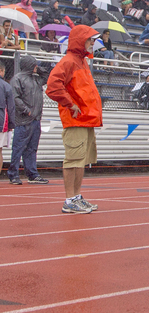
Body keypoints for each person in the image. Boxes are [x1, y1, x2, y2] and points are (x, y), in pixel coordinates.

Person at [46, 25, 102, 214]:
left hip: (85, 119)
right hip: (76, 119)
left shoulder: (81, 61)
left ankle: (76, 197)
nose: (93, 43)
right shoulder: (69, 61)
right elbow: (53, 86)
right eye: (90, 39)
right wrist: (70, 104)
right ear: (80, 40)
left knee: (80, 160)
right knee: (74, 160)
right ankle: (70, 199)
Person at [6, 55, 48, 184]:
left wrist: (40, 69)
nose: (36, 66)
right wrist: (26, 110)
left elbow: (47, 77)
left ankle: (32, 174)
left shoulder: (36, 78)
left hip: (35, 119)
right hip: (24, 120)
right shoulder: (17, 79)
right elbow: (15, 97)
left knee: (32, 148)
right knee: (18, 147)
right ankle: (13, 174)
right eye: (34, 64)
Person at [0, 62, 15, 180]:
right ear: (1, 71)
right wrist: (11, 124)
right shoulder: (6, 86)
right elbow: (10, 107)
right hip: (1, 121)